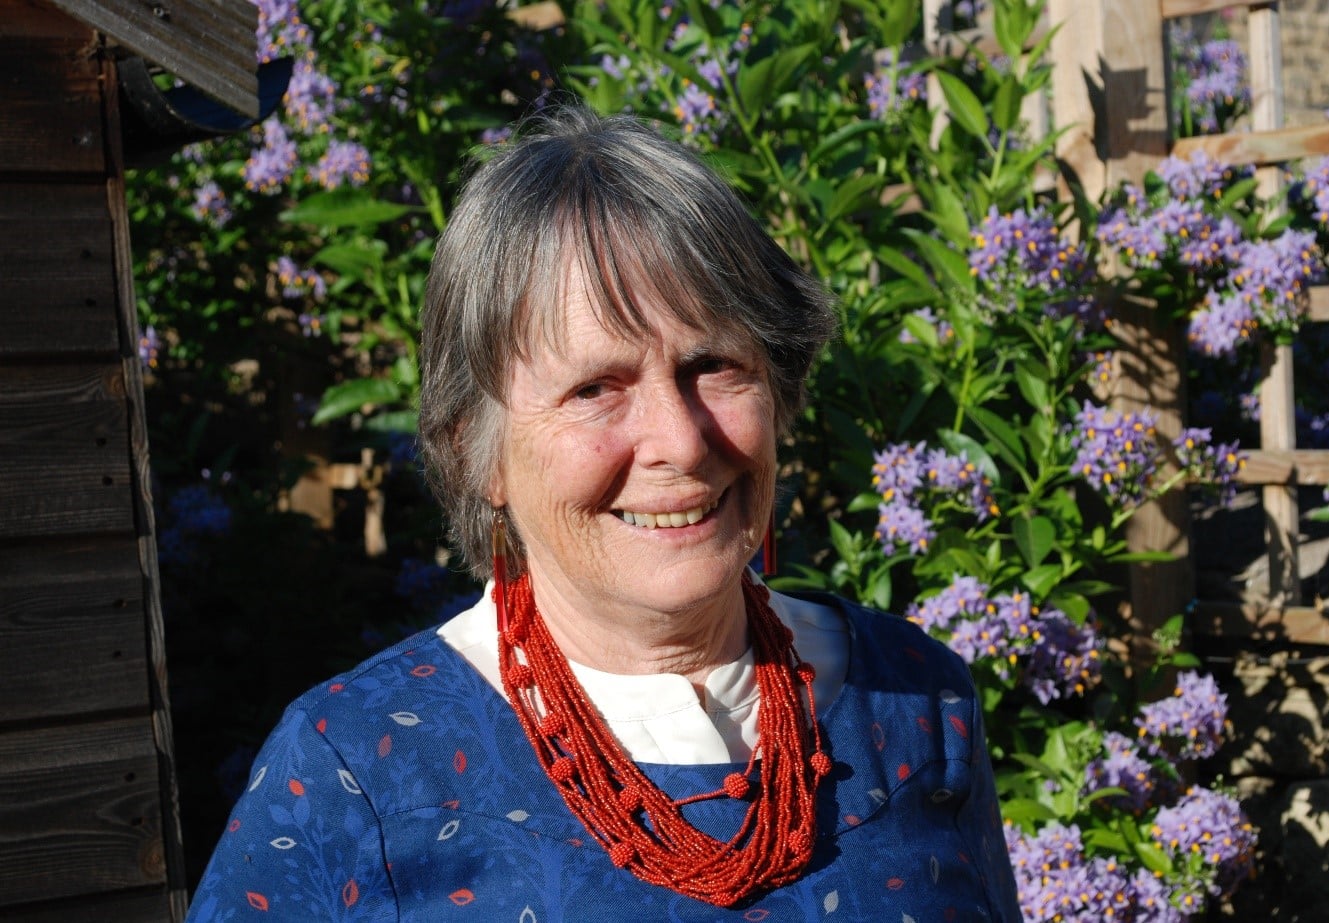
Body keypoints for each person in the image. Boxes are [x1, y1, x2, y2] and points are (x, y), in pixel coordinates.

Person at [187, 105, 1021, 921]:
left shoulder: (918, 703)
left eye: (714, 364)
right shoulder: (355, 772)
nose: (681, 442)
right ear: (475, 451)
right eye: (595, 388)